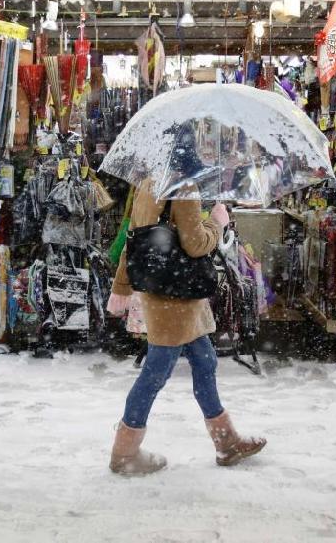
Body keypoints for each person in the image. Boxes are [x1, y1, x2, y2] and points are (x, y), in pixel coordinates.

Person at [106, 178, 266, 475]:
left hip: (164, 291)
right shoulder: (183, 187)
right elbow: (195, 245)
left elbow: (134, 239)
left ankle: (226, 442)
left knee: (204, 362)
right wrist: (217, 222)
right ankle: (124, 453)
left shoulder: (147, 183)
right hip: (177, 296)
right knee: (155, 373)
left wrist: (122, 286)